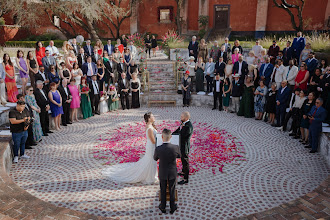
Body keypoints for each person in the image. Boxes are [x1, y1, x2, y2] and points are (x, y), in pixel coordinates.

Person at [103, 112, 158, 184]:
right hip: (151, 146)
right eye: (152, 116)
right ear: (149, 119)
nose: (154, 117)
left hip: (150, 145)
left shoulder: (150, 126)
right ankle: (150, 178)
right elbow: (153, 141)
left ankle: (151, 176)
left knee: (151, 160)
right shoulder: (150, 128)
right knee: (151, 160)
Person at [154, 129, 181, 214]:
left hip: (162, 172)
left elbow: (155, 158)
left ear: (162, 137)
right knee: (172, 190)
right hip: (172, 172)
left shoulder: (158, 148)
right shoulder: (176, 147)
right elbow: (179, 156)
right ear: (171, 137)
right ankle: (172, 207)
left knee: (163, 189)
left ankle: (163, 207)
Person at [173, 111, 193, 185]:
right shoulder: (183, 123)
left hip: (185, 147)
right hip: (181, 146)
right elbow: (178, 130)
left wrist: (176, 135)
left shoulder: (188, 126)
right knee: (182, 159)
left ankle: (185, 178)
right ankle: (183, 172)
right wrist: (171, 135)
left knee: (185, 162)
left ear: (186, 118)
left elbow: (182, 135)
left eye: (182, 117)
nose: (180, 118)